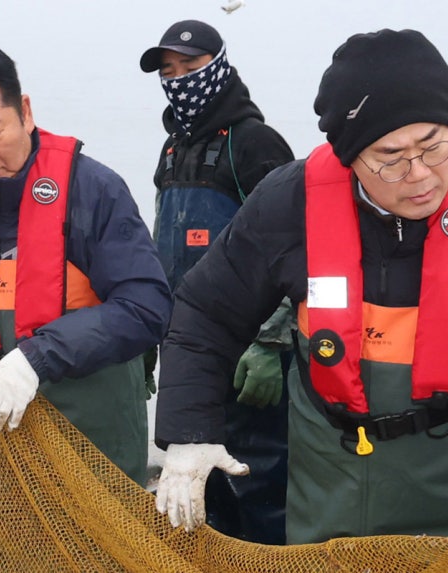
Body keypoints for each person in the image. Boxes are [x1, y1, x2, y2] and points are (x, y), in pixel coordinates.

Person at [153, 29, 448, 567]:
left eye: (432, 143)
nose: (421, 173)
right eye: (391, 157)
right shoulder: (287, 205)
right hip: (328, 493)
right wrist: (189, 432)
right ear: (348, 157)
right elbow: (205, 315)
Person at [0, 45, 172, 486]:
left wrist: (35, 359)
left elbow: (146, 306)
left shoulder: (93, 190)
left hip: (93, 454)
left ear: (25, 112)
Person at [140, 20, 295, 544]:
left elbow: (297, 244)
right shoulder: (170, 149)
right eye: (169, 71)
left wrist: (273, 342)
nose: (179, 79)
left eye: (192, 67)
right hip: (189, 350)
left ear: (221, 66)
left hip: (252, 357)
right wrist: (144, 340)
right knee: (204, 492)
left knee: (261, 485)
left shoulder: (255, 143)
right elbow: (161, 248)